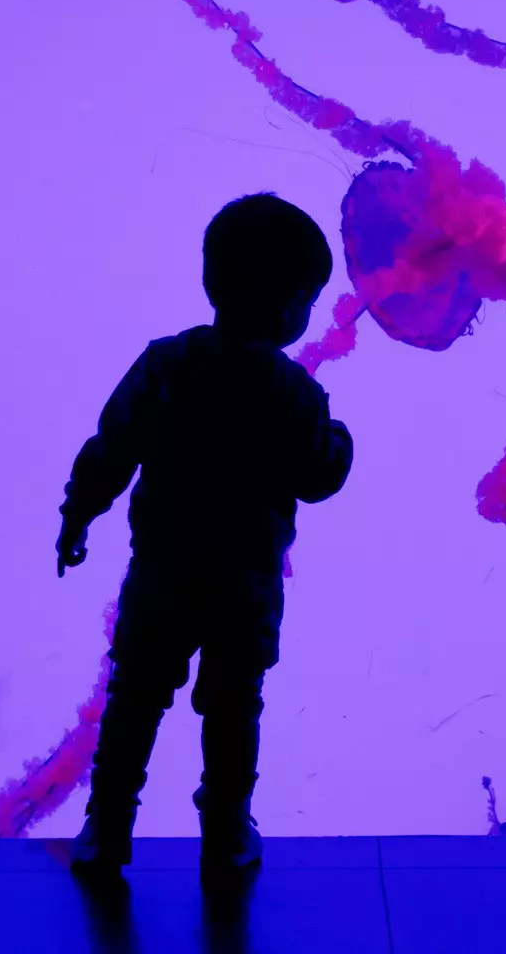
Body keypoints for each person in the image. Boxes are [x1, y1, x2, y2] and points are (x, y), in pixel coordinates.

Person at [55, 193, 354, 880]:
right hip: (245, 584)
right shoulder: (294, 392)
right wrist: (341, 439)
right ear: (292, 305)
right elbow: (318, 476)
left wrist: (77, 513)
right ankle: (225, 830)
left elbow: (112, 447)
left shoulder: (166, 363)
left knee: (135, 696)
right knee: (233, 704)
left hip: (161, 571)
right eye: (311, 300)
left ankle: (106, 826)